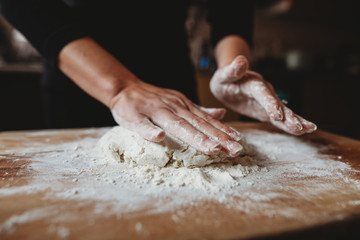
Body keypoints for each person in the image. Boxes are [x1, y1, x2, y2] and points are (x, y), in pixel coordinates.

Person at [0, 0, 316, 157]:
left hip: (172, 83)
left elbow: (230, 6)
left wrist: (232, 65)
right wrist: (118, 87)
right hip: (82, 70)